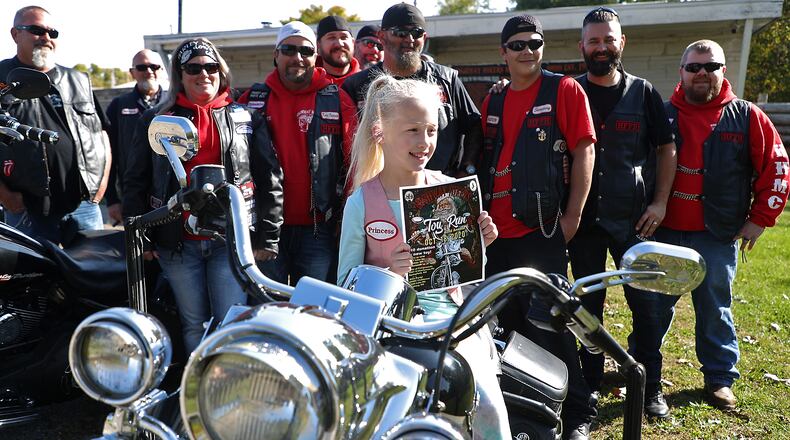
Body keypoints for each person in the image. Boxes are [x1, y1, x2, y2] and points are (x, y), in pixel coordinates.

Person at [337, 74, 509, 439]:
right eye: (413, 130)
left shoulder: (447, 189)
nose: (424, 142)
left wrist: (480, 244)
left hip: (453, 325)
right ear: (381, 132)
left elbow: (463, 274)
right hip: (392, 330)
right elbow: (345, 283)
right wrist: (386, 271)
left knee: (487, 408)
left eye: (431, 130)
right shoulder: (362, 202)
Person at [122, 37, 283, 353]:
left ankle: (227, 392)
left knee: (230, 321)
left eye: (210, 66)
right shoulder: (155, 119)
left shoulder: (246, 117)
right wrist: (140, 236)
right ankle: (196, 393)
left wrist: (269, 236)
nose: (203, 74)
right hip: (177, 242)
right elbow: (134, 181)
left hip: (231, 239)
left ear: (221, 71)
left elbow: (270, 179)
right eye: (193, 68)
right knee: (194, 322)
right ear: (179, 74)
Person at [478, 15, 596, 440]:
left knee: (552, 325)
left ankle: (580, 411)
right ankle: (524, 407)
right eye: (518, 45)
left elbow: (584, 150)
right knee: (504, 326)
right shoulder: (494, 99)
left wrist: (573, 216)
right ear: (503, 52)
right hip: (496, 235)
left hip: (541, 229)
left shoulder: (563, 89)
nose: (528, 51)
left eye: (535, 43)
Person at [657, 39, 788, 412]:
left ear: (723, 71)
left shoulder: (747, 116)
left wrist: (760, 219)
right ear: (681, 72)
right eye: (694, 67)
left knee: (715, 307)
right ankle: (641, 367)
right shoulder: (662, 114)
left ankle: (719, 378)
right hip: (666, 232)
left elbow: (777, 168)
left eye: (711, 66)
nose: (702, 73)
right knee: (653, 305)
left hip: (717, 233)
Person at [568, 7, 678, 419]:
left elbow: (667, 148)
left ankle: (650, 387)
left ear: (621, 42)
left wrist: (660, 202)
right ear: (582, 46)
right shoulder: (570, 91)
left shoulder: (644, 92)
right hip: (584, 223)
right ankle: (590, 385)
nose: (601, 47)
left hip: (634, 222)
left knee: (646, 309)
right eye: (593, 41)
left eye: (608, 39)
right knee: (586, 310)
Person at [238, 21, 357, 285]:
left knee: (313, 311)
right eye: (289, 50)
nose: (297, 58)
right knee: (271, 308)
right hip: (267, 230)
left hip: (318, 229)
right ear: (275, 55)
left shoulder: (336, 98)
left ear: (316, 57)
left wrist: (346, 217)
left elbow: (354, 162)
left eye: (305, 51)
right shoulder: (252, 100)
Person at [0, 6, 110, 245]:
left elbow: (100, 134)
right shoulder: (1, 78)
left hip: (83, 205)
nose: (46, 38)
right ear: (15, 34)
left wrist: (99, 187)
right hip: (25, 208)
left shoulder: (79, 80)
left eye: (52, 32)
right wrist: (4, 194)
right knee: (30, 280)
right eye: (37, 30)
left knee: (90, 278)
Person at [342, 3, 482, 177]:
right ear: (382, 36)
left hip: (440, 188)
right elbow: (344, 143)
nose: (409, 39)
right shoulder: (358, 85)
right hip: (381, 190)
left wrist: (466, 168)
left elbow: (474, 125)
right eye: (400, 33)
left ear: (424, 37)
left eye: (416, 33)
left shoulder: (448, 80)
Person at [105, 49, 167, 225]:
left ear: (161, 70)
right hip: (134, 197)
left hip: (169, 196)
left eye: (154, 66)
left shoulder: (175, 103)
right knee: (137, 250)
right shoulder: (118, 106)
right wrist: (112, 200)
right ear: (132, 73)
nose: (149, 71)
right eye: (142, 67)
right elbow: (110, 156)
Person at [315, 15, 360, 86]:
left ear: (353, 42)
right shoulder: (308, 83)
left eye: (344, 37)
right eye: (331, 37)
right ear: (318, 45)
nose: (339, 44)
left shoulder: (366, 82)